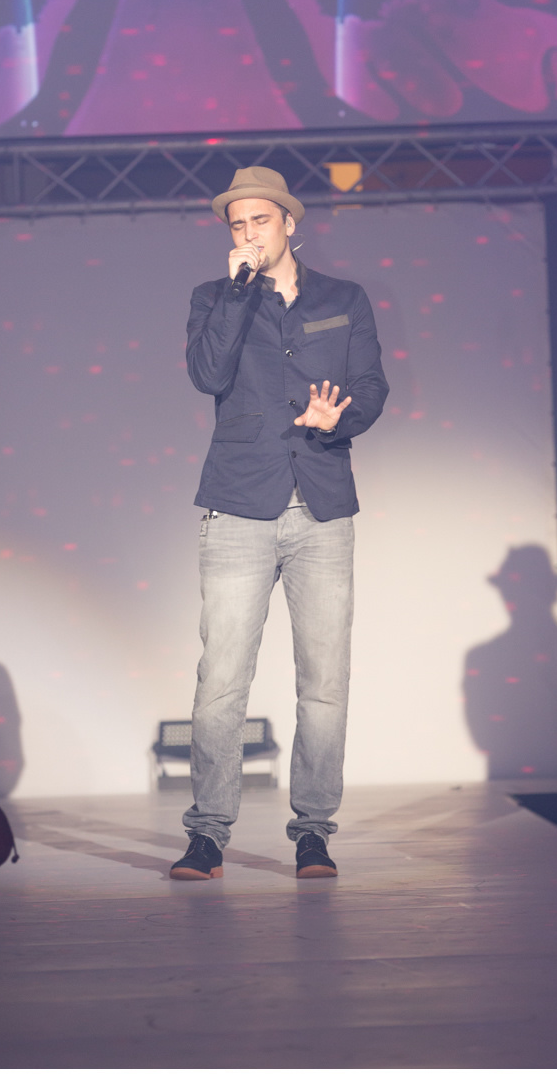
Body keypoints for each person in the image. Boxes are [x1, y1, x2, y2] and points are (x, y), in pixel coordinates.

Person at [170, 166, 389, 881]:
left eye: (260, 221)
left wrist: (339, 418)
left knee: (324, 682)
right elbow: (207, 375)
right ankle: (208, 833)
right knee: (221, 681)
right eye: (237, 224)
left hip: (321, 505)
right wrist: (239, 292)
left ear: (290, 223)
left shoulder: (343, 298)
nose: (249, 233)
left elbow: (371, 384)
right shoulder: (214, 297)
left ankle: (314, 832)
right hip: (239, 501)